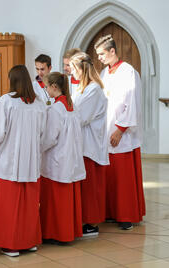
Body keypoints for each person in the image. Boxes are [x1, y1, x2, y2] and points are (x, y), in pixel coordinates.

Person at [0, 65, 46, 257]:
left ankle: (11, 244)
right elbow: (43, 134)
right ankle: (28, 242)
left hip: (8, 161)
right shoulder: (39, 103)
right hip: (31, 161)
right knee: (29, 204)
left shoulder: (6, 101)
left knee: (9, 205)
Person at [95, 34, 145, 230]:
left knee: (123, 178)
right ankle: (111, 212)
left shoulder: (128, 72)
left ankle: (126, 216)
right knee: (110, 176)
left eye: (102, 54)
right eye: (98, 54)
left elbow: (132, 102)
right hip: (106, 130)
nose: (99, 57)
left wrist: (121, 129)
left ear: (112, 51)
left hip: (122, 133)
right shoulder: (104, 73)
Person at [40, 72, 86, 243]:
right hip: (70, 156)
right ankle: (69, 231)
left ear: (54, 87)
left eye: (46, 87)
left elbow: (50, 137)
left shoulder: (56, 109)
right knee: (67, 198)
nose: (46, 90)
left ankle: (57, 233)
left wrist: (38, 148)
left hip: (57, 158)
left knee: (56, 199)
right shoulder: (71, 106)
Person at [70, 52, 109, 236]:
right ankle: (83, 219)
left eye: (73, 69)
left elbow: (81, 117)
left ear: (80, 69)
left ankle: (92, 223)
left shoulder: (94, 89)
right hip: (82, 143)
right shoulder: (81, 88)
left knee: (91, 186)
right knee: (85, 185)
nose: (72, 73)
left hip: (90, 144)